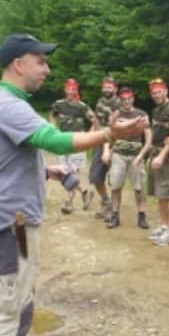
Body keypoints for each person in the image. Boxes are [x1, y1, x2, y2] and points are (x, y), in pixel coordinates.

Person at [0, 33, 144, 336]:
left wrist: (44, 170)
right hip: (11, 221)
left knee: (19, 293)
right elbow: (55, 138)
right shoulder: (9, 106)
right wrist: (108, 134)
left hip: (6, 216)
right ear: (19, 64)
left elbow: (13, 154)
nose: (46, 70)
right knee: (12, 298)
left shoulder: (7, 103)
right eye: (41, 62)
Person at [104, 87, 152, 229]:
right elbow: (110, 133)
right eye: (123, 99)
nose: (126, 101)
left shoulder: (142, 114)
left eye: (129, 98)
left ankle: (142, 216)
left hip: (135, 155)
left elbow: (148, 138)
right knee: (116, 187)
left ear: (133, 99)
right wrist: (107, 150)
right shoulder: (116, 114)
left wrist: (141, 155)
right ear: (120, 99)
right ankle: (115, 215)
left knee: (139, 188)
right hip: (118, 154)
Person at [49, 78, 96, 213]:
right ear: (65, 90)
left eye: (73, 89)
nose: (70, 92)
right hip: (62, 141)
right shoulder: (59, 104)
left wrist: (89, 137)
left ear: (76, 90)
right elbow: (52, 116)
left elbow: (94, 120)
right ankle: (84, 191)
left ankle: (68, 202)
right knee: (63, 172)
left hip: (77, 142)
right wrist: (53, 128)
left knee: (72, 172)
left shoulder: (82, 106)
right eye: (68, 89)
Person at [146, 78, 169, 246]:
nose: (156, 95)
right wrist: (150, 155)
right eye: (154, 93)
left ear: (166, 91)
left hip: (166, 158)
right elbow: (155, 133)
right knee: (160, 194)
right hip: (155, 155)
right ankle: (164, 226)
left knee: (168, 194)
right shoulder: (156, 110)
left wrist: (161, 156)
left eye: (159, 91)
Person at [89, 76, 122, 219]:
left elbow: (114, 128)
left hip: (116, 144)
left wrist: (108, 148)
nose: (107, 89)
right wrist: (91, 136)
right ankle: (106, 201)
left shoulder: (119, 104)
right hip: (99, 142)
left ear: (115, 89)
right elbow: (96, 119)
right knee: (95, 177)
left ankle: (114, 211)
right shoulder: (100, 101)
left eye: (110, 87)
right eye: (105, 87)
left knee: (115, 179)